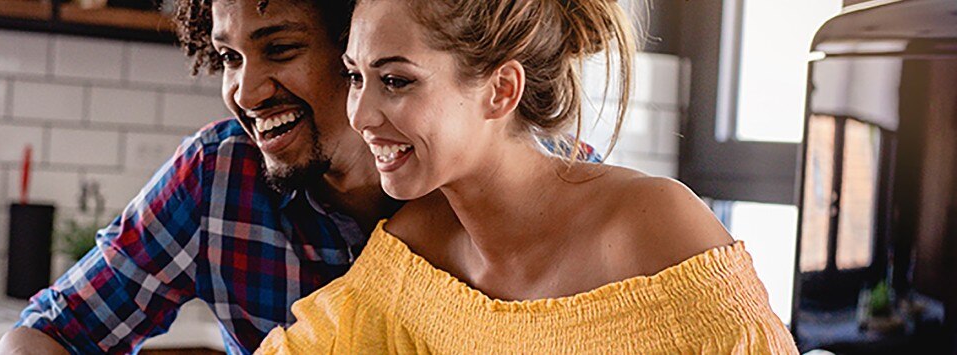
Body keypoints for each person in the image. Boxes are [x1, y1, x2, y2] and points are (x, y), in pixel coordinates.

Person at [0, 0, 599, 353]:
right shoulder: (219, 173)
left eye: (279, 49)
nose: (246, 91)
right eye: (230, 58)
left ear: (357, 45)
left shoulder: (538, 186)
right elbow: (53, 331)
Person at [257, 0, 798, 353]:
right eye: (356, 77)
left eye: (396, 81)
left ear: (501, 91)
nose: (361, 114)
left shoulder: (654, 228)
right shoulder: (412, 258)